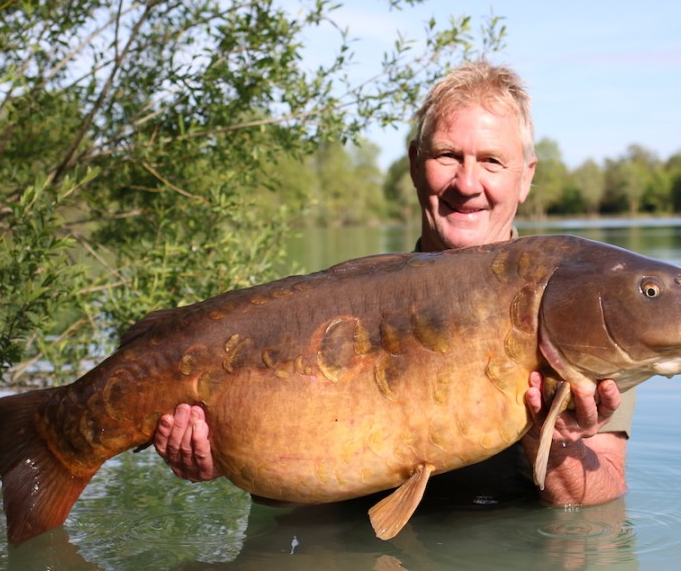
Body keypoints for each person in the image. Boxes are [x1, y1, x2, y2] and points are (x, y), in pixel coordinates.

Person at [153, 61, 633, 509]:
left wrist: (552, 441)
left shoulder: (577, 312)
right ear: (413, 164)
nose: (467, 183)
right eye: (448, 155)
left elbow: (602, 500)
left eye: (491, 161)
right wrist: (226, 453)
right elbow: (287, 505)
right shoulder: (341, 307)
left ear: (525, 178)